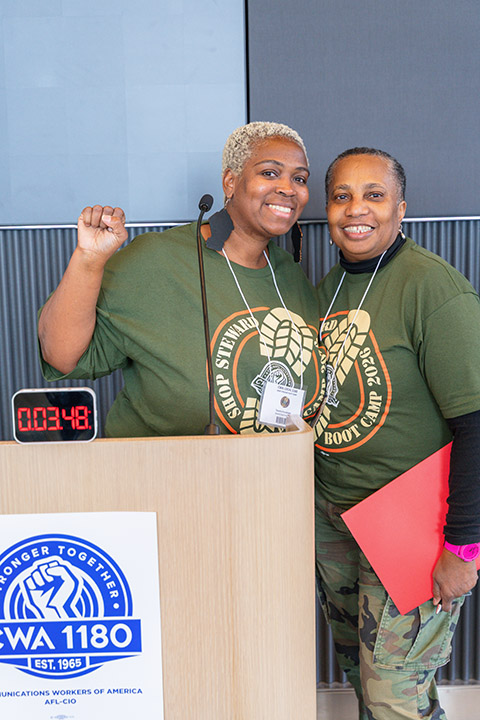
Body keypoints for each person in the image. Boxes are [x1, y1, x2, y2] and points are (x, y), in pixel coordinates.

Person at [314, 147, 480, 719]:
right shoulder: (329, 288)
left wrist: (463, 547)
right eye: (342, 196)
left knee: (393, 695)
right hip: (337, 520)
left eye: (374, 195)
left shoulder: (433, 288)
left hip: (410, 526)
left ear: (401, 208)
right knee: (369, 685)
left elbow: (476, 422)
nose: (356, 209)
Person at [38, 122, 324, 437]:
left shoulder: (289, 273)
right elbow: (60, 355)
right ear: (230, 182)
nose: (288, 188)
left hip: (268, 466)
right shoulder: (156, 259)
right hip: (161, 466)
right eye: (269, 173)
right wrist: (88, 259)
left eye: (299, 178)